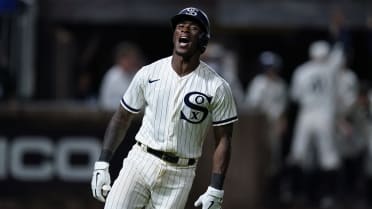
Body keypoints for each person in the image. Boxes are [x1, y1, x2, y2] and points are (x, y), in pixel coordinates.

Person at [91, 7, 238, 209]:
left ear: (204, 40)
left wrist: (216, 188)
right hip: (140, 161)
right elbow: (122, 117)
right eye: (180, 26)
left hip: (180, 173)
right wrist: (102, 162)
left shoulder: (217, 86)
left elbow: (223, 138)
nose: (185, 30)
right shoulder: (149, 72)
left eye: (193, 28)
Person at [287, 40, 344, 207]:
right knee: (328, 156)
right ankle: (328, 195)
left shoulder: (301, 70)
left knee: (299, 153)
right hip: (325, 114)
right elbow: (341, 52)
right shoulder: (331, 68)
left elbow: (295, 97)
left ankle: (296, 192)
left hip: (306, 114)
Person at [98, 42, 144, 111]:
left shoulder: (138, 75)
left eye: (133, 58)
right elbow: (104, 101)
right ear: (120, 59)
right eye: (128, 59)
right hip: (112, 115)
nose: (131, 61)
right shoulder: (112, 75)